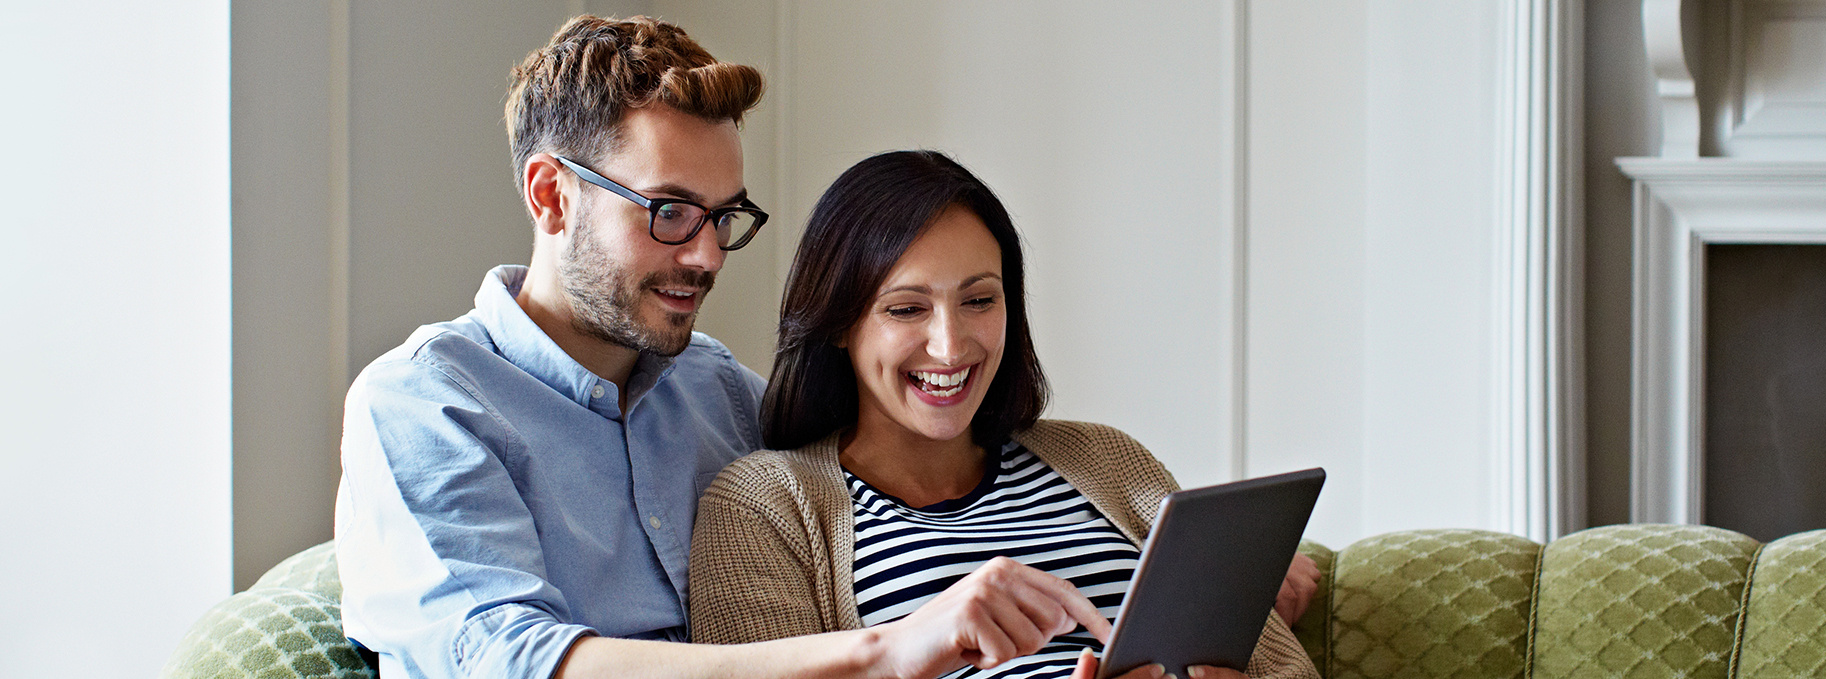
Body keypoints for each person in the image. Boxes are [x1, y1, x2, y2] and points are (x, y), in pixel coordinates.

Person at [335, 16, 1164, 679]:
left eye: (723, 215)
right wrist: (889, 650)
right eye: (668, 211)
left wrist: (1197, 581)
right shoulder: (424, 402)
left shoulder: (721, 391)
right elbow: (504, 658)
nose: (704, 255)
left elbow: (868, 521)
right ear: (551, 194)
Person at [687, 150, 1321, 679]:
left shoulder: (1106, 459)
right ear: (838, 323)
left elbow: (1287, 669)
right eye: (906, 309)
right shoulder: (764, 507)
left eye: (979, 300)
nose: (952, 344)